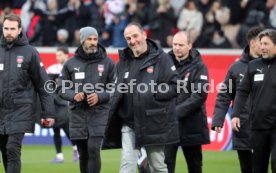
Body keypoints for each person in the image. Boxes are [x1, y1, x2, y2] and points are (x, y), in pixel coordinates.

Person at [103, 22, 179, 173]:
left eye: (135, 36)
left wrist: (154, 91)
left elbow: (176, 86)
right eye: (128, 38)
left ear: (144, 34)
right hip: (129, 123)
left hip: (153, 123)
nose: (132, 41)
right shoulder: (123, 61)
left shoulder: (162, 58)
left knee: (158, 166)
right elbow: (116, 88)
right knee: (127, 165)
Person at [0, 14, 55, 173]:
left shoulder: (30, 52)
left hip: (21, 110)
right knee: (5, 150)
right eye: (6, 29)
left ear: (19, 30)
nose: (9, 32)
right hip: (1, 110)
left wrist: (48, 113)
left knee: (12, 149)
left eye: (12, 29)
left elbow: (44, 85)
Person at [57, 26, 115, 173]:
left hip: (100, 113)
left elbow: (116, 87)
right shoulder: (70, 63)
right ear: (82, 40)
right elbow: (60, 87)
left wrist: (100, 96)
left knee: (94, 148)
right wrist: (73, 95)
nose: (93, 42)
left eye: (95, 39)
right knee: (83, 154)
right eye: (89, 39)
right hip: (78, 114)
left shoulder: (108, 62)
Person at [212, 26, 264, 173]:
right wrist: (218, 120)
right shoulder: (235, 68)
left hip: (266, 126)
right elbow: (224, 95)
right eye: (263, 42)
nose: (265, 45)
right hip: (243, 127)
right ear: (253, 43)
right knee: (246, 168)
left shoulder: (271, 66)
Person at [164, 31, 210, 173]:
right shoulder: (164, 63)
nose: (177, 48)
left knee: (194, 166)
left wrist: (175, 112)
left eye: (181, 45)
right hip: (168, 126)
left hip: (192, 124)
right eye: (175, 44)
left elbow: (199, 95)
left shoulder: (199, 66)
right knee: (165, 166)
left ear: (189, 45)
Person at [232, 29, 276, 173]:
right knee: (257, 168)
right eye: (261, 43)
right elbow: (242, 91)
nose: (262, 47)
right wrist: (235, 115)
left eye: (266, 44)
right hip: (258, 126)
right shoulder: (253, 66)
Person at [47, 47, 79, 163]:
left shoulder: (73, 68)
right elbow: (47, 86)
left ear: (66, 55)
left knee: (68, 129)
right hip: (56, 104)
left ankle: (76, 149)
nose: (57, 57)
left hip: (68, 103)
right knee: (55, 129)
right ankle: (59, 155)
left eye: (60, 55)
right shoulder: (51, 69)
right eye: (57, 55)